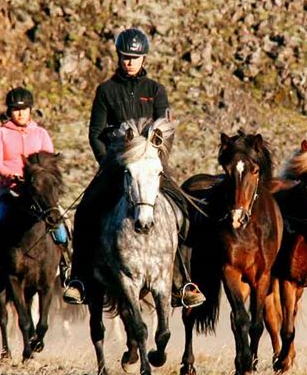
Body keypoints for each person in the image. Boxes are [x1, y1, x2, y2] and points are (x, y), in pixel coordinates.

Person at [62, 27, 205, 308]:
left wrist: (156, 163)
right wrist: (109, 165)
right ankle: (80, 280)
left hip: (151, 167)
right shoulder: (105, 91)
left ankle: (183, 281)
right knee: (86, 211)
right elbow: (95, 133)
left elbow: (165, 131)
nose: (130, 61)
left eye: (135, 57)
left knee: (183, 213)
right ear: (119, 57)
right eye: (126, 56)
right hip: (117, 168)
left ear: (144, 59)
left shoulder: (155, 91)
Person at [0, 87, 70, 288]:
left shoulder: (41, 133)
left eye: (24, 109)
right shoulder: (1, 133)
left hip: (37, 191)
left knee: (62, 224)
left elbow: (49, 162)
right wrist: (10, 175)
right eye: (15, 109)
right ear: (9, 112)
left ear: (31, 110)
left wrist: (39, 179)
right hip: (11, 189)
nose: (20, 113)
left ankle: (66, 265)